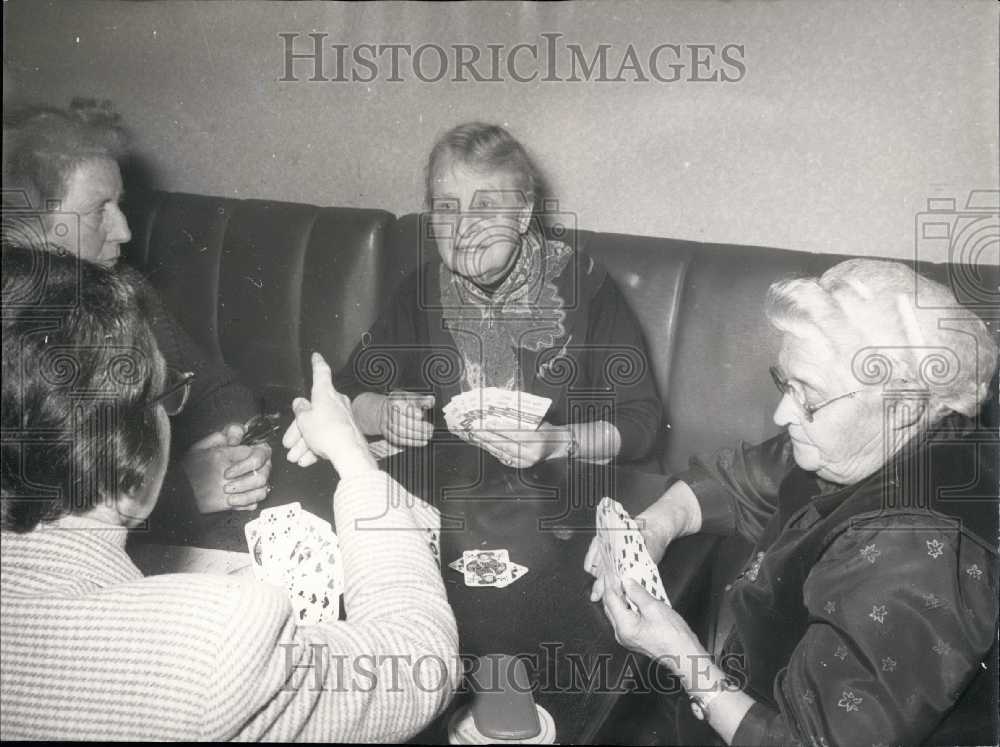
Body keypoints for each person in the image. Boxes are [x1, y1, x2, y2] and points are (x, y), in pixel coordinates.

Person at [0, 246, 459, 741]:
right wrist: (354, 456)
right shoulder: (218, 640)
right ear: (126, 456)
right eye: (166, 395)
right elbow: (422, 661)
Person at [585, 259, 998, 745]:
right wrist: (656, 525)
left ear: (903, 409)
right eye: (787, 384)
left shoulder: (917, 552)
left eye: (809, 397)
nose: (784, 413)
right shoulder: (867, 438)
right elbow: (738, 478)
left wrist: (678, 653)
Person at [1, 100, 271, 521]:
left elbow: (219, 389)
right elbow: (36, 518)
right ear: (26, 226)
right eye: (97, 211)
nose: (124, 231)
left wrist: (233, 443)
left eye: (120, 204)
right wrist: (179, 489)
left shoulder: (125, 293)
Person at [336, 122, 662, 468]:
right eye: (447, 208)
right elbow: (347, 387)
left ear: (522, 215)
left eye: (484, 207)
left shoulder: (586, 286)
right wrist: (383, 414)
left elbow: (641, 421)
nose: (462, 229)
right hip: (453, 495)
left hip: (565, 488)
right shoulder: (421, 290)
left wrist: (556, 442)